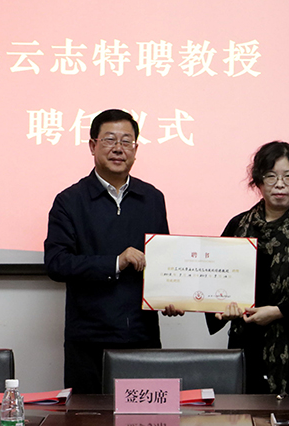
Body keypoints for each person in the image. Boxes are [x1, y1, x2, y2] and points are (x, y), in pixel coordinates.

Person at [44, 109, 182, 394]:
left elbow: (163, 262)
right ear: (92, 145)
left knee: (148, 416)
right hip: (89, 339)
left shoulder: (152, 198)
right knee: (87, 416)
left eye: (126, 141)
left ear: (135, 150)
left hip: (142, 336)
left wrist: (171, 296)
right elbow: (57, 263)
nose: (118, 148)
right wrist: (115, 263)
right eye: (109, 140)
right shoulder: (69, 201)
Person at [206, 141, 289, 395]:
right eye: (271, 176)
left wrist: (278, 312)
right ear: (258, 181)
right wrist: (223, 308)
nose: (280, 184)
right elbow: (216, 278)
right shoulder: (238, 226)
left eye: (288, 176)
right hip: (248, 343)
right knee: (247, 410)